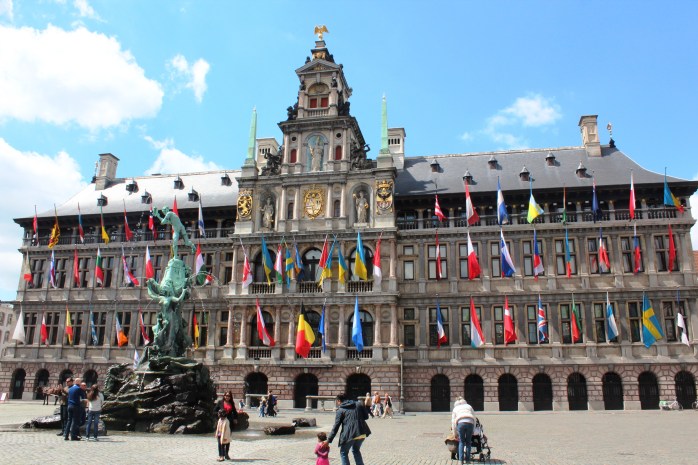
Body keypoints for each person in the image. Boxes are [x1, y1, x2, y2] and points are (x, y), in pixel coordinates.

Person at [326, 393, 372, 465]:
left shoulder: (340, 410)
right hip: (361, 432)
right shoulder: (358, 404)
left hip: (350, 434)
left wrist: (328, 440)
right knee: (356, 450)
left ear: (338, 401)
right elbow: (366, 416)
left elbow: (336, 426)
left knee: (343, 452)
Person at [214, 390, 238, 460]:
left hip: (229, 423)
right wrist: (218, 414)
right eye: (226, 395)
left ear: (230, 397)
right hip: (221, 423)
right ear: (224, 396)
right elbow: (214, 410)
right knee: (219, 439)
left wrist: (235, 418)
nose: (227, 397)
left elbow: (235, 412)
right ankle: (221, 455)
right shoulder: (220, 402)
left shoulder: (231, 403)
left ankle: (226, 454)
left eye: (229, 396)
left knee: (227, 439)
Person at [451, 396, 476, 464]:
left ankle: (460, 460)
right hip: (470, 422)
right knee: (468, 442)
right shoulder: (469, 406)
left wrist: (455, 433)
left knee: (461, 442)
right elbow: (474, 418)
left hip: (460, 423)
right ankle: (468, 460)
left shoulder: (455, 408)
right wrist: (473, 430)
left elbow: (453, 422)